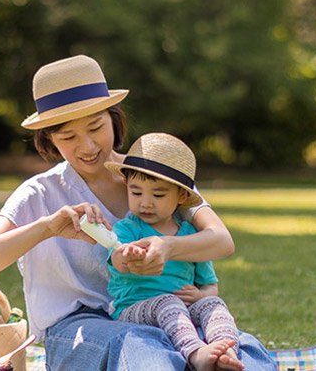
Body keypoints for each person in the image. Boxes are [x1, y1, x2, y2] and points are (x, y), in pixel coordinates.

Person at [0, 55, 276, 370]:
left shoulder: (155, 176)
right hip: (79, 329)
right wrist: (48, 227)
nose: (87, 146)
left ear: (114, 118)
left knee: (237, 346)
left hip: (167, 316)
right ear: (50, 140)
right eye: (68, 137)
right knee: (141, 347)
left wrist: (169, 247)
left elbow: (221, 240)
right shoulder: (40, 193)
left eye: (96, 127)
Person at [104, 133, 245, 371]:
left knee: (214, 304)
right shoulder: (126, 229)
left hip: (184, 309)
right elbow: (116, 258)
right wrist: (127, 256)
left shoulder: (190, 236)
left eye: (158, 195)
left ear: (180, 196)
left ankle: (225, 349)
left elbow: (209, 285)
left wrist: (202, 296)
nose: (145, 202)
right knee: (167, 302)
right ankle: (196, 354)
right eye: (136, 193)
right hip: (133, 309)